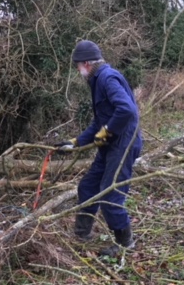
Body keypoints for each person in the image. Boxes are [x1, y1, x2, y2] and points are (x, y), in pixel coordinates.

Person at [56, 40, 142, 256]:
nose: (78, 70)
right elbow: (99, 121)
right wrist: (76, 142)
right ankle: (81, 234)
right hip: (110, 144)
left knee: (109, 194)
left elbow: (127, 110)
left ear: (86, 63)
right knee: (88, 186)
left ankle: (125, 243)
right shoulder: (96, 80)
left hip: (123, 144)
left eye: (78, 66)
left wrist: (107, 131)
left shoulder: (107, 78)